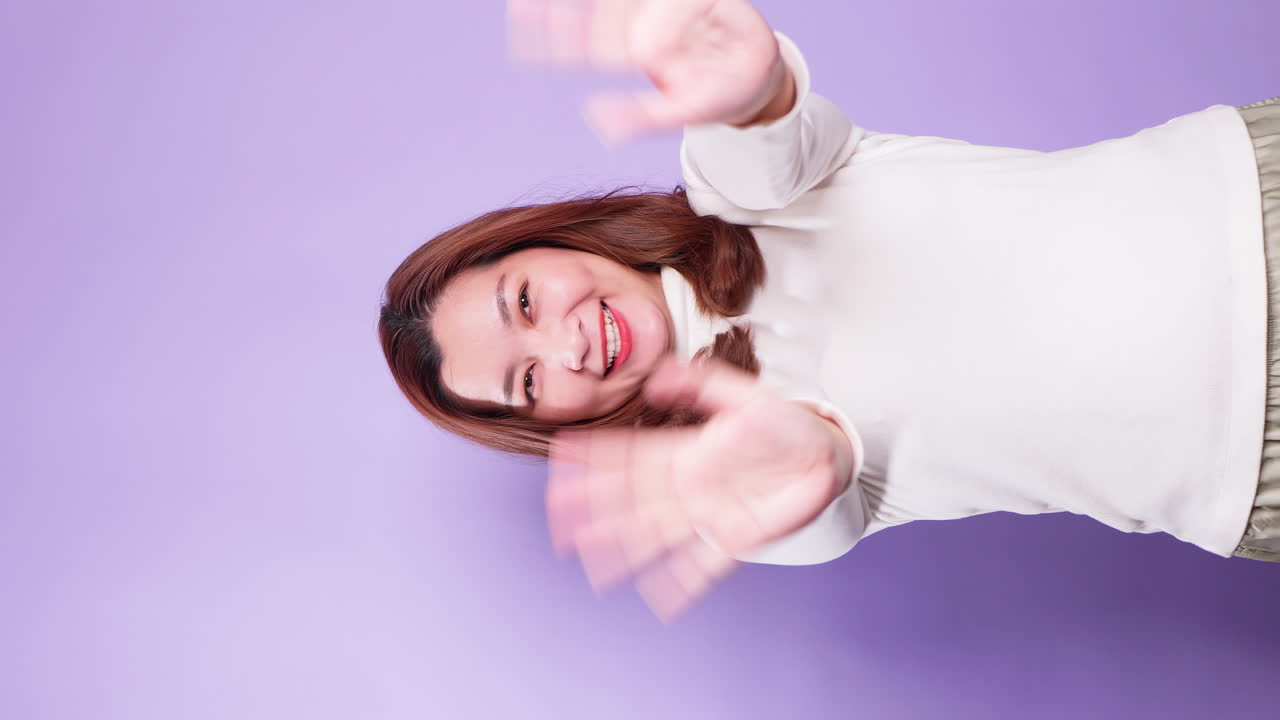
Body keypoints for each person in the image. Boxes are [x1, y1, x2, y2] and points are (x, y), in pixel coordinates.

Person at [378, 0, 1280, 621]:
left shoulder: (743, 197)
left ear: (555, 240)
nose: (564, 345)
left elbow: (759, 133)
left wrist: (747, 82)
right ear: (549, 426)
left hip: (1247, 194)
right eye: (527, 379)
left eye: (526, 300)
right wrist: (811, 458)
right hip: (1249, 466)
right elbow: (819, 483)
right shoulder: (722, 488)